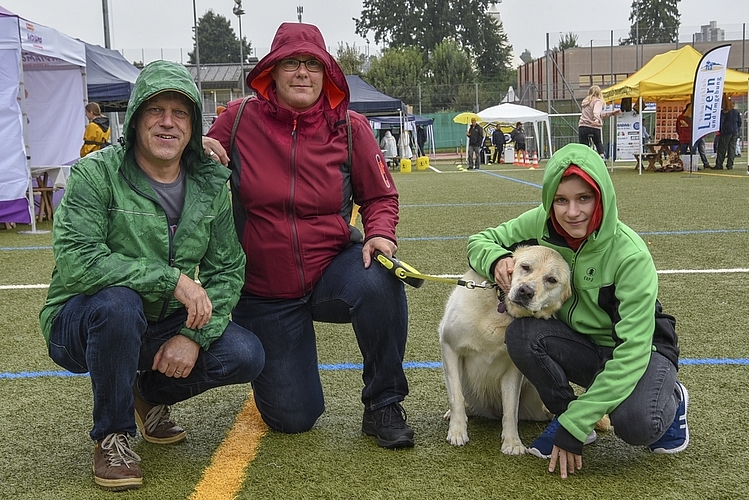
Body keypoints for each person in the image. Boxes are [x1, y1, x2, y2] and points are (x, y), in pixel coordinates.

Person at [39, 60, 265, 491]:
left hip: (159, 325)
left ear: (194, 124)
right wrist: (172, 280)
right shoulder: (96, 173)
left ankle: (149, 394)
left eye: (180, 113)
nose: (167, 122)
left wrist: (192, 337)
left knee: (246, 353)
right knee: (119, 304)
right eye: (155, 111)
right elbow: (78, 260)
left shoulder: (210, 185)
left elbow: (227, 269)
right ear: (137, 117)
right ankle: (112, 435)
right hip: (81, 322)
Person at [207, 22, 414, 449]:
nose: (302, 72)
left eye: (312, 64)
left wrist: (380, 235)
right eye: (291, 63)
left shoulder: (352, 127)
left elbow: (381, 197)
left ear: (327, 74)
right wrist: (202, 149)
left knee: (380, 279)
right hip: (264, 290)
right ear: (272, 72)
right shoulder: (239, 118)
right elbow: (193, 166)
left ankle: (384, 404)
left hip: (331, 272)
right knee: (294, 418)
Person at [467, 143, 688, 479]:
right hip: (581, 343)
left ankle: (672, 397)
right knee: (522, 335)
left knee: (637, 425)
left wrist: (577, 421)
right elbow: (479, 240)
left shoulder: (631, 256)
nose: (572, 212)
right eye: (561, 200)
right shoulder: (540, 222)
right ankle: (566, 413)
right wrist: (497, 259)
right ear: (550, 201)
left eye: (584, 198)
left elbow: (631, 352)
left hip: (640, 351)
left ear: (601, 197)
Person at [578, 85, 622, 158]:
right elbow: (596, 112)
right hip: (594, 126)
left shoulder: (586, 101)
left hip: (583, 126)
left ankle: (584, 159)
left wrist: (611, 113)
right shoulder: (598, 101)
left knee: (584, 145)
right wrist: (596, 119)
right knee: (598, 142)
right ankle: (602, 157)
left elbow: (599, 114)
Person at [675, 102, 710, 170]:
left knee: (685, 153)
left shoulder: (682, 117)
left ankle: (685, 165)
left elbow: (678, 129)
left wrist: (681, 135)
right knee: (693, 152)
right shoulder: (692, 117)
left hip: (687, 138)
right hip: (691, 138)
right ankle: (693, 165)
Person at [714, 95, 742, 170]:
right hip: (734, 132)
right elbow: (739, 122)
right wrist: (737, 129)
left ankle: (719, 164)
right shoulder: (735, 111)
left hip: (726, 132)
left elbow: (721, 122)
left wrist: (720, 130)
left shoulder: (723, 112)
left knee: (722, 148)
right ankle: (730, 165)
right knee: (732, 148)